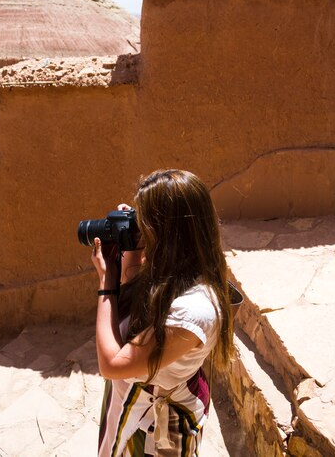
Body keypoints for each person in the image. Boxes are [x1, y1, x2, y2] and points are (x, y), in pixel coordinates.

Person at [91, 169, 234, 457]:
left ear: (168, 234)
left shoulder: (193, 310)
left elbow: (112, 365)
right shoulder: (178, 269)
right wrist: (129, 247)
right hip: (134, 400)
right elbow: (134, 299)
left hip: (155, 426)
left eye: (144, 225)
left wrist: (105, 283)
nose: (140, 231)